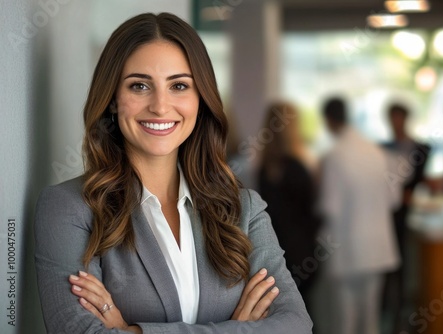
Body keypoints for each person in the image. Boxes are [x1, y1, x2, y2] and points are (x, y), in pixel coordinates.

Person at [34, 12, 312, 334]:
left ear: (200, 99)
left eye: (179, 85)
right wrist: (236, 329)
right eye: (139, 86)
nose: (161, 106)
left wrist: (134, 331)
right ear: (112, 100)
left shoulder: (243, 209)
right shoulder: (69, 210)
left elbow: (295, 325)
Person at [319, 98, 400, 334]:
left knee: (345, 322)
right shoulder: (377, 152)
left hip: (346, 249)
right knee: (371, 321)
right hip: (377, 247)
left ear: (328, 120)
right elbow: (393, 200)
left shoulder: (336, 155)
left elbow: (329, 206)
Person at [257, 102, 321, 311]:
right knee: (303, 312)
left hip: (272, 250)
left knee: (279, 312)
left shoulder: (262, 169)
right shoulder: (299, 168)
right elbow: (312, 214)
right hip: (301, 251)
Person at [381, 103, 430, 333]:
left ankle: (402, 308)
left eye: (399, 118)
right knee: (389, 264)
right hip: (387, 214)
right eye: (392, 118)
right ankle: (390, 308)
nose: (395, 122)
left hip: (409, 214)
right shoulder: (382, 148)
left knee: (405, 263)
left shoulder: (420, 148)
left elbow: (420, 182)